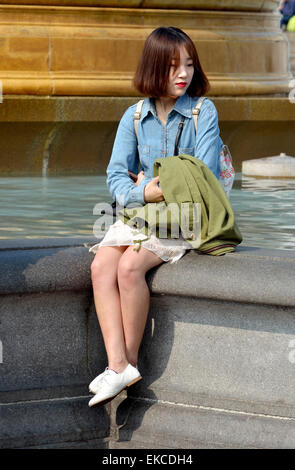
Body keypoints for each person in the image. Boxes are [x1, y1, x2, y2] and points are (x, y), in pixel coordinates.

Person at [87, 26, 224, 407]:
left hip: (185, 214)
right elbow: (116, 174)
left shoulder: (202, 111)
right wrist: (142, 190)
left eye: (189, 65)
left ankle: (127, 365)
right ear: (153, 67)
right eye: (172, 66)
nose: (183, 74)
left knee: (130, 268)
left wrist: (157, 184)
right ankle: (118, 365)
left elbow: (204, 173)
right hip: (143, 212)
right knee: (101, 266)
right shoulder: (134, 117)